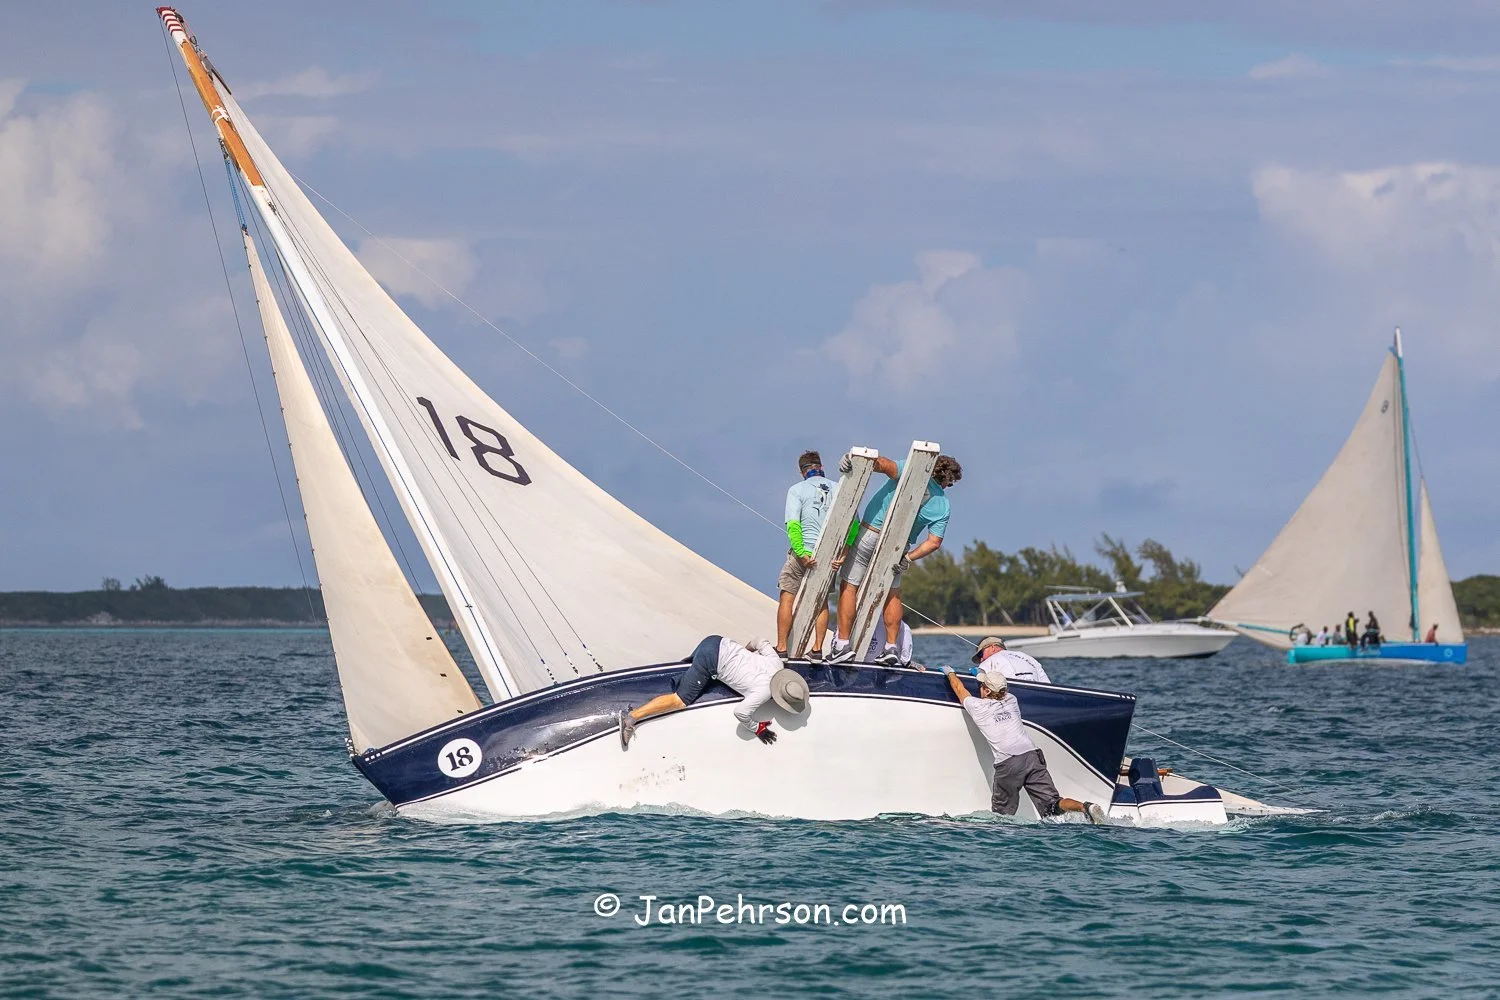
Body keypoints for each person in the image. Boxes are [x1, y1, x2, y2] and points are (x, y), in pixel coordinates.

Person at [829, 452, 962, 665]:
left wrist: (852, 460)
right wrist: (908, 558)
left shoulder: (911, 470)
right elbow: (934, 542)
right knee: (892, 594)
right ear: (946, 478)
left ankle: (842, 645)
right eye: (950, 483)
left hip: (870, 533)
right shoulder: (943, 505)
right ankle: (891, 647)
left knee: (850, 586)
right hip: (898, 547)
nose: (948, 488)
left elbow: (881, 464)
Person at [941, 664, 1103, 823]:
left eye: (982, 686)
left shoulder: (977, 707)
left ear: (987, 690)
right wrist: (982, 675)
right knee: (1052, 805)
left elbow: (959, 689)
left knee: (1001, 815)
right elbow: (996, 692)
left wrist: (950, 673)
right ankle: (1085, 807)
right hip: (1032, 755)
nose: (980, 688)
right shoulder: (1012, 700)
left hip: (1009, 762)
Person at [618, 636, 809, 750]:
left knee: (687, 671)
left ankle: (677, 680)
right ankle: (632, 718)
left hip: (718, 641)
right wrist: (757, 728)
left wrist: (744, 651)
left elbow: (760, 641)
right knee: (681, 700)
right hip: (712, 660)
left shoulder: (777, 663)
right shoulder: (765, 692)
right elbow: (740, 712)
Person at [775, 450, 836, 658]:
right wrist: (843, 553)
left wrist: (800, 553)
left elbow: (793, 524)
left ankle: (782, 648)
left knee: (787, 596)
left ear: (802, 472)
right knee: (821, 602)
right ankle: (818, 649)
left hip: (802, 554)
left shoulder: (796, 489)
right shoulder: (838, 489)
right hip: (827, 556)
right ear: (821, 466)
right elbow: (853, 526)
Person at [967, 636, 1051, 683]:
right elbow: (1047, 685)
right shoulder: (1028, 657)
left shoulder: (989, 661)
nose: (981, 659)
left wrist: (977, 673)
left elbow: (980, 680)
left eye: (981, 654)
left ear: (992, 647)